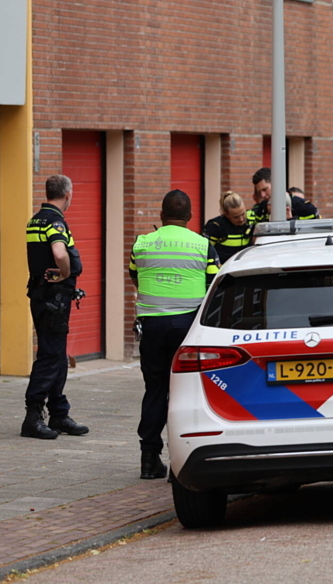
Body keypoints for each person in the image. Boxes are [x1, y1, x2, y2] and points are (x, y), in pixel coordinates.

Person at [130, 190, 220, 479]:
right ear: (191, 216)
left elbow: (135, 275)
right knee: (188, 391)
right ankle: (185, 459)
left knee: (155, 388)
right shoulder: (203, 244)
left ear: (161, 214)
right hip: (188, 327)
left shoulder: (142, 243)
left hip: (152, 326)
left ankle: (149, 459)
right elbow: (213, 283)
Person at [22, 175, 90, 439]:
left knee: (58, 356)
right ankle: (33, 416)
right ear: (68, 195)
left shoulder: (36, 219)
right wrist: (64, 274)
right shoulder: (55, 222)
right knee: (50, 356)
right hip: (53, 298)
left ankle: (59, 414)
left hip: (42, 296)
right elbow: (60, 253)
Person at [203, 191, 252, 264]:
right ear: (226, 214)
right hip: (223, 271)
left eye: (243, 214)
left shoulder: (251, 221)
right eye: (236, 217)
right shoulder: (216, 226)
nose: (241, 219)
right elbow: (205, 251)